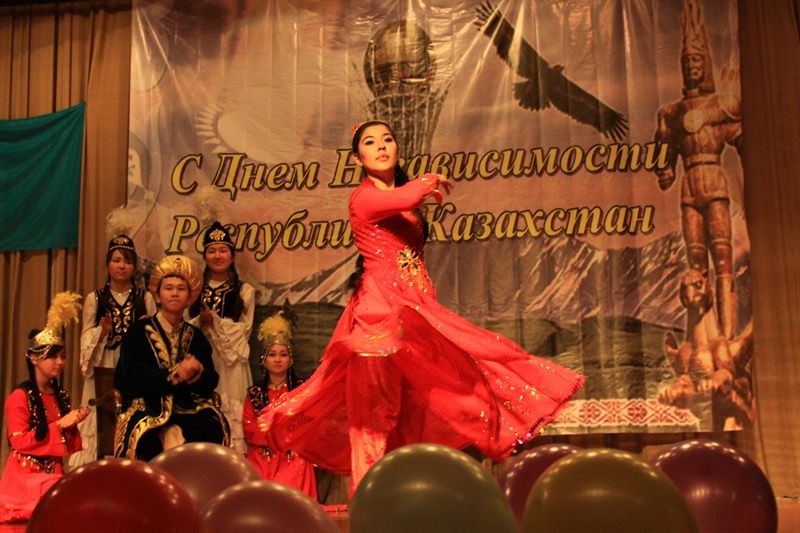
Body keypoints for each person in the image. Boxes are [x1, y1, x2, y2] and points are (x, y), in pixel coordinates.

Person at [257, 120, 585, 497]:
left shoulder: (403, 201)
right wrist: (427, 182)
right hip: (378, 317)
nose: (381, 146)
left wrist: (419, 191)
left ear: (397, 148)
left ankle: (411, 496)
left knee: (425, 403)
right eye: (370, 142)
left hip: (414, 312)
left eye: (387, 139)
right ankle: (371, 504)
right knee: (372, 420)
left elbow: (406, 205)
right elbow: (405, 198)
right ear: (358, 158)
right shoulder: (363, 198)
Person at [113, 255, 230, 460]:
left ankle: (196, 481)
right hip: (146, 405)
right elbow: (132, 374)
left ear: (189, 298)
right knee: (143, 438)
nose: (175, 293)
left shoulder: (196, 337)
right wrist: (174, 374)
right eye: (168, 288)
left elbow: (211, 379)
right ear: (157, 297)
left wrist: (196, 373)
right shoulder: (137, 331)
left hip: (184, 406)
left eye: (181, 289)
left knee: (214, 426)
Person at [0, 292, 90, 523]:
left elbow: (61, 445)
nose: (60, 362)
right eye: (53, 357)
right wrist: (60, 424)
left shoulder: (60, 396)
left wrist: (73, 423)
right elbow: (18, 442)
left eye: (63, 356)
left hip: (52, 473)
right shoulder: (19, 397)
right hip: (24, 479)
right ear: (34, 358)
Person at [70, 230, 156, 467]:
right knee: (103, 414)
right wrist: (103, 331)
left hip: (134, 366)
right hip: (104, 361)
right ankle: (98, 466)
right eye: (116, 260)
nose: (121, 266)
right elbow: (85, 336)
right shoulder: (95, 298)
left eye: (127, 261)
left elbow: (156, 336)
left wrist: (145, 329)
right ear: (106, 265)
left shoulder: (145, 297)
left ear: (134, 267)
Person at [187, 221, 254, 455]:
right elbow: (184, 325)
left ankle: (234, 459)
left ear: (232, 256)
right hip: (201, 359)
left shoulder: (245, 290)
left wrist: (216, 321)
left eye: (223, 250)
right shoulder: (194, 289)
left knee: (232, 406)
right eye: (212, 251)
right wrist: (200, 321)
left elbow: (245, 329)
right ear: (205, 256)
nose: (217, 256)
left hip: (231, 359)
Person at [243, 309, 317, 499]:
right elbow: (249, 428)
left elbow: (308, 423)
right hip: (261, 454)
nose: (277, 359)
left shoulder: (301, 390)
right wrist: (271, 434)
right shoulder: (254, 394)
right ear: (264, 360)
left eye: (283, 354)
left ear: (290, 360)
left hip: (292, 455)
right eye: (272, 355)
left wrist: (283, 434)